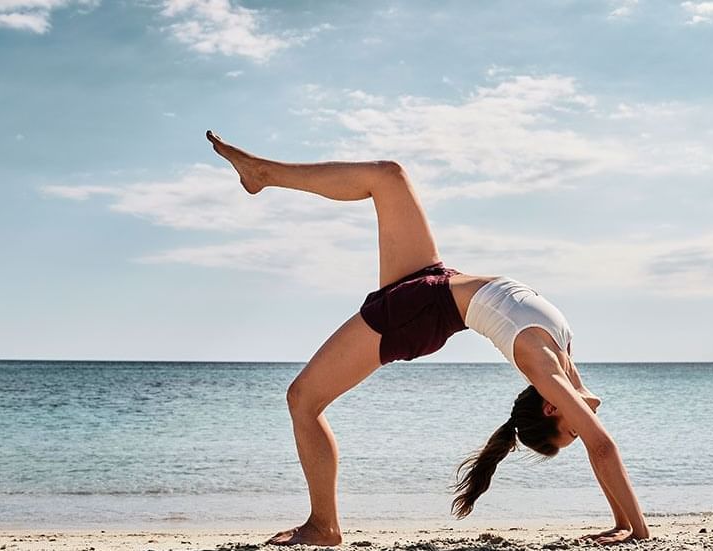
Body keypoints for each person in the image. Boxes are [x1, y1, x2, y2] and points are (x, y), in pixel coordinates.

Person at [205, 131, 650, 546]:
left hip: (419, 313)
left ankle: (324, 525)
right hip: (431, 283)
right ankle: (263, 174)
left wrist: (629, 526)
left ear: (550, 405)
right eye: (571, 429)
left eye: (572, 425)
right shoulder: (559, 362)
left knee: (302, 398)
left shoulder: (545, 365)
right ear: (553, 407)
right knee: (388, 175)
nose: (583, 419)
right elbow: (598, 432)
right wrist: (633, 527)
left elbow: (599, 443)